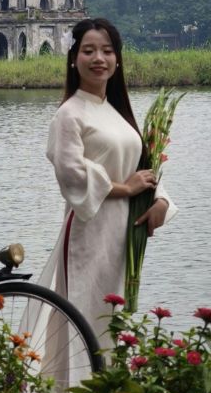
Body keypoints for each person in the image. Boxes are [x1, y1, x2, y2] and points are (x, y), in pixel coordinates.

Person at [40, 18, 177, 352]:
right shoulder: (69, 114)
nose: (99, 58)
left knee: (114, 318)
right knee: (86, 314)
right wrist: (126, 190)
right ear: (74, 58)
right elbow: (71, 173)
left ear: (117, 59)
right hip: (89, 230)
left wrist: (159, 200)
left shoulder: (116, 112)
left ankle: (109, 382)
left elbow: (141, 166)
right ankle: (78, 385)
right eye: (89, 51)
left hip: (122, 233)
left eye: (107, 51)